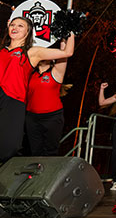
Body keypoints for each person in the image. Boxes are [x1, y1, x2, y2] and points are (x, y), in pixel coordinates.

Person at [0, 17, 74, 163]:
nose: (15, 28)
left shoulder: (33, 52)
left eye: (20, 26)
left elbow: (67, 52)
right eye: (12, 25)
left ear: (28, 32)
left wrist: (71, 30)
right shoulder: (2, 50)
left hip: (13, 100)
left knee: (10, 147)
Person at [25, 40, 69, 156]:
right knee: (35, 151)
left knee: (50, 151)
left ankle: (48, 173)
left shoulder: (56, 73)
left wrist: (64, 39)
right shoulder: (30, 74)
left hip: (52, 117)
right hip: (32, 118)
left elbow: (65, 53)